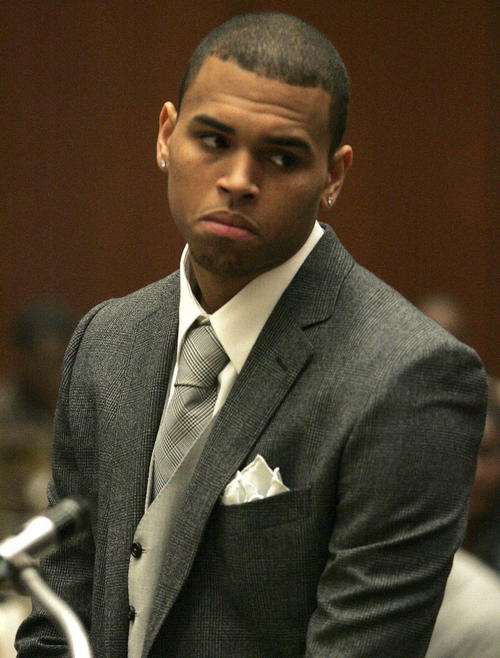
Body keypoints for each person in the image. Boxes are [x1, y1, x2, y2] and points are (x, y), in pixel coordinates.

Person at [15, 12, 486, 657]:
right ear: (166, 136)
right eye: (213, 140)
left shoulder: (410, 375)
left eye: (282, 157)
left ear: (334, 175)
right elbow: (56, 618)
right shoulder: (106, 340)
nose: (238, 180)